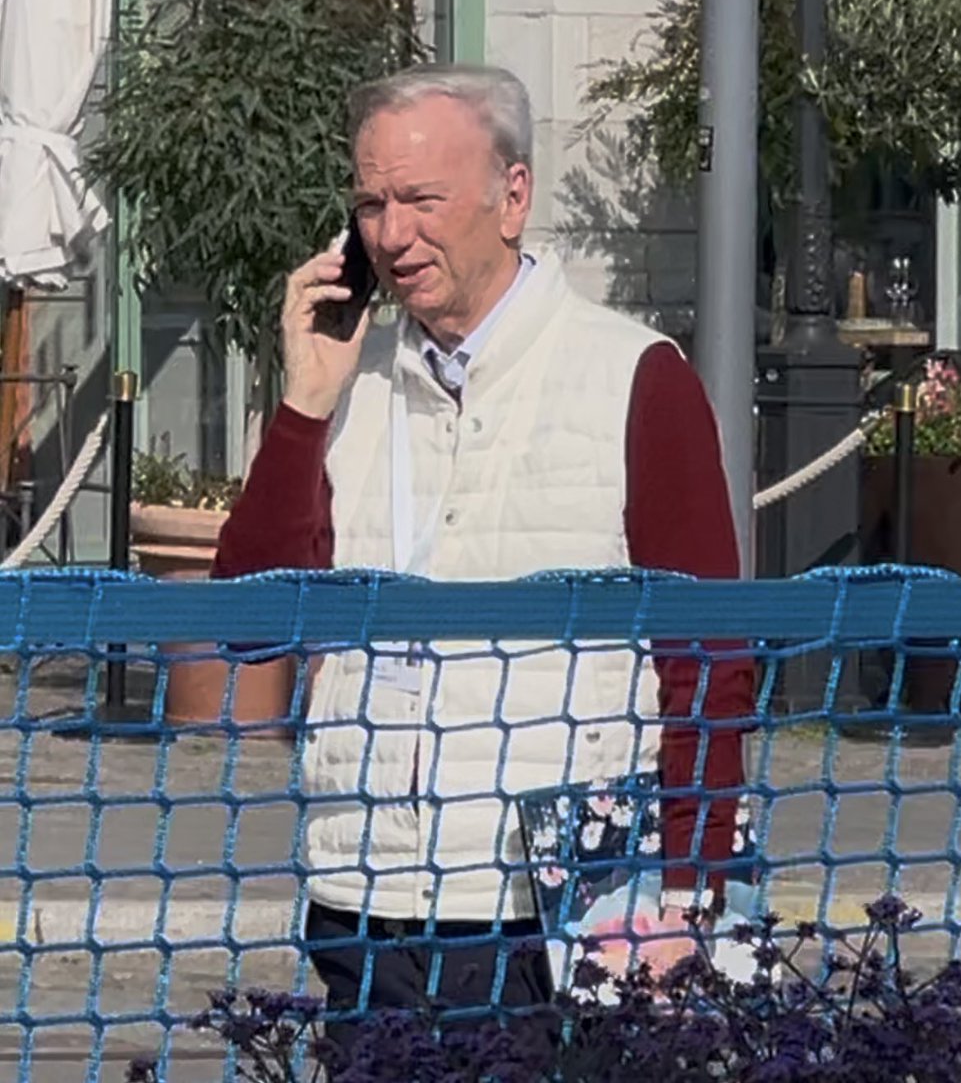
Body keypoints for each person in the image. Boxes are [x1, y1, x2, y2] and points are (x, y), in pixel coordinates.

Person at [213, 63, 754, 1037]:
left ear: (513, 198)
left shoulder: (635, 377)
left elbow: (708, 658)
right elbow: (252, 627)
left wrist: (691, 897)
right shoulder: (342, 387)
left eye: (422, 198)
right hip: (364, 897)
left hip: (555, 911)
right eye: (371, 202)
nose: (391, 233)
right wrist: (302, 405)